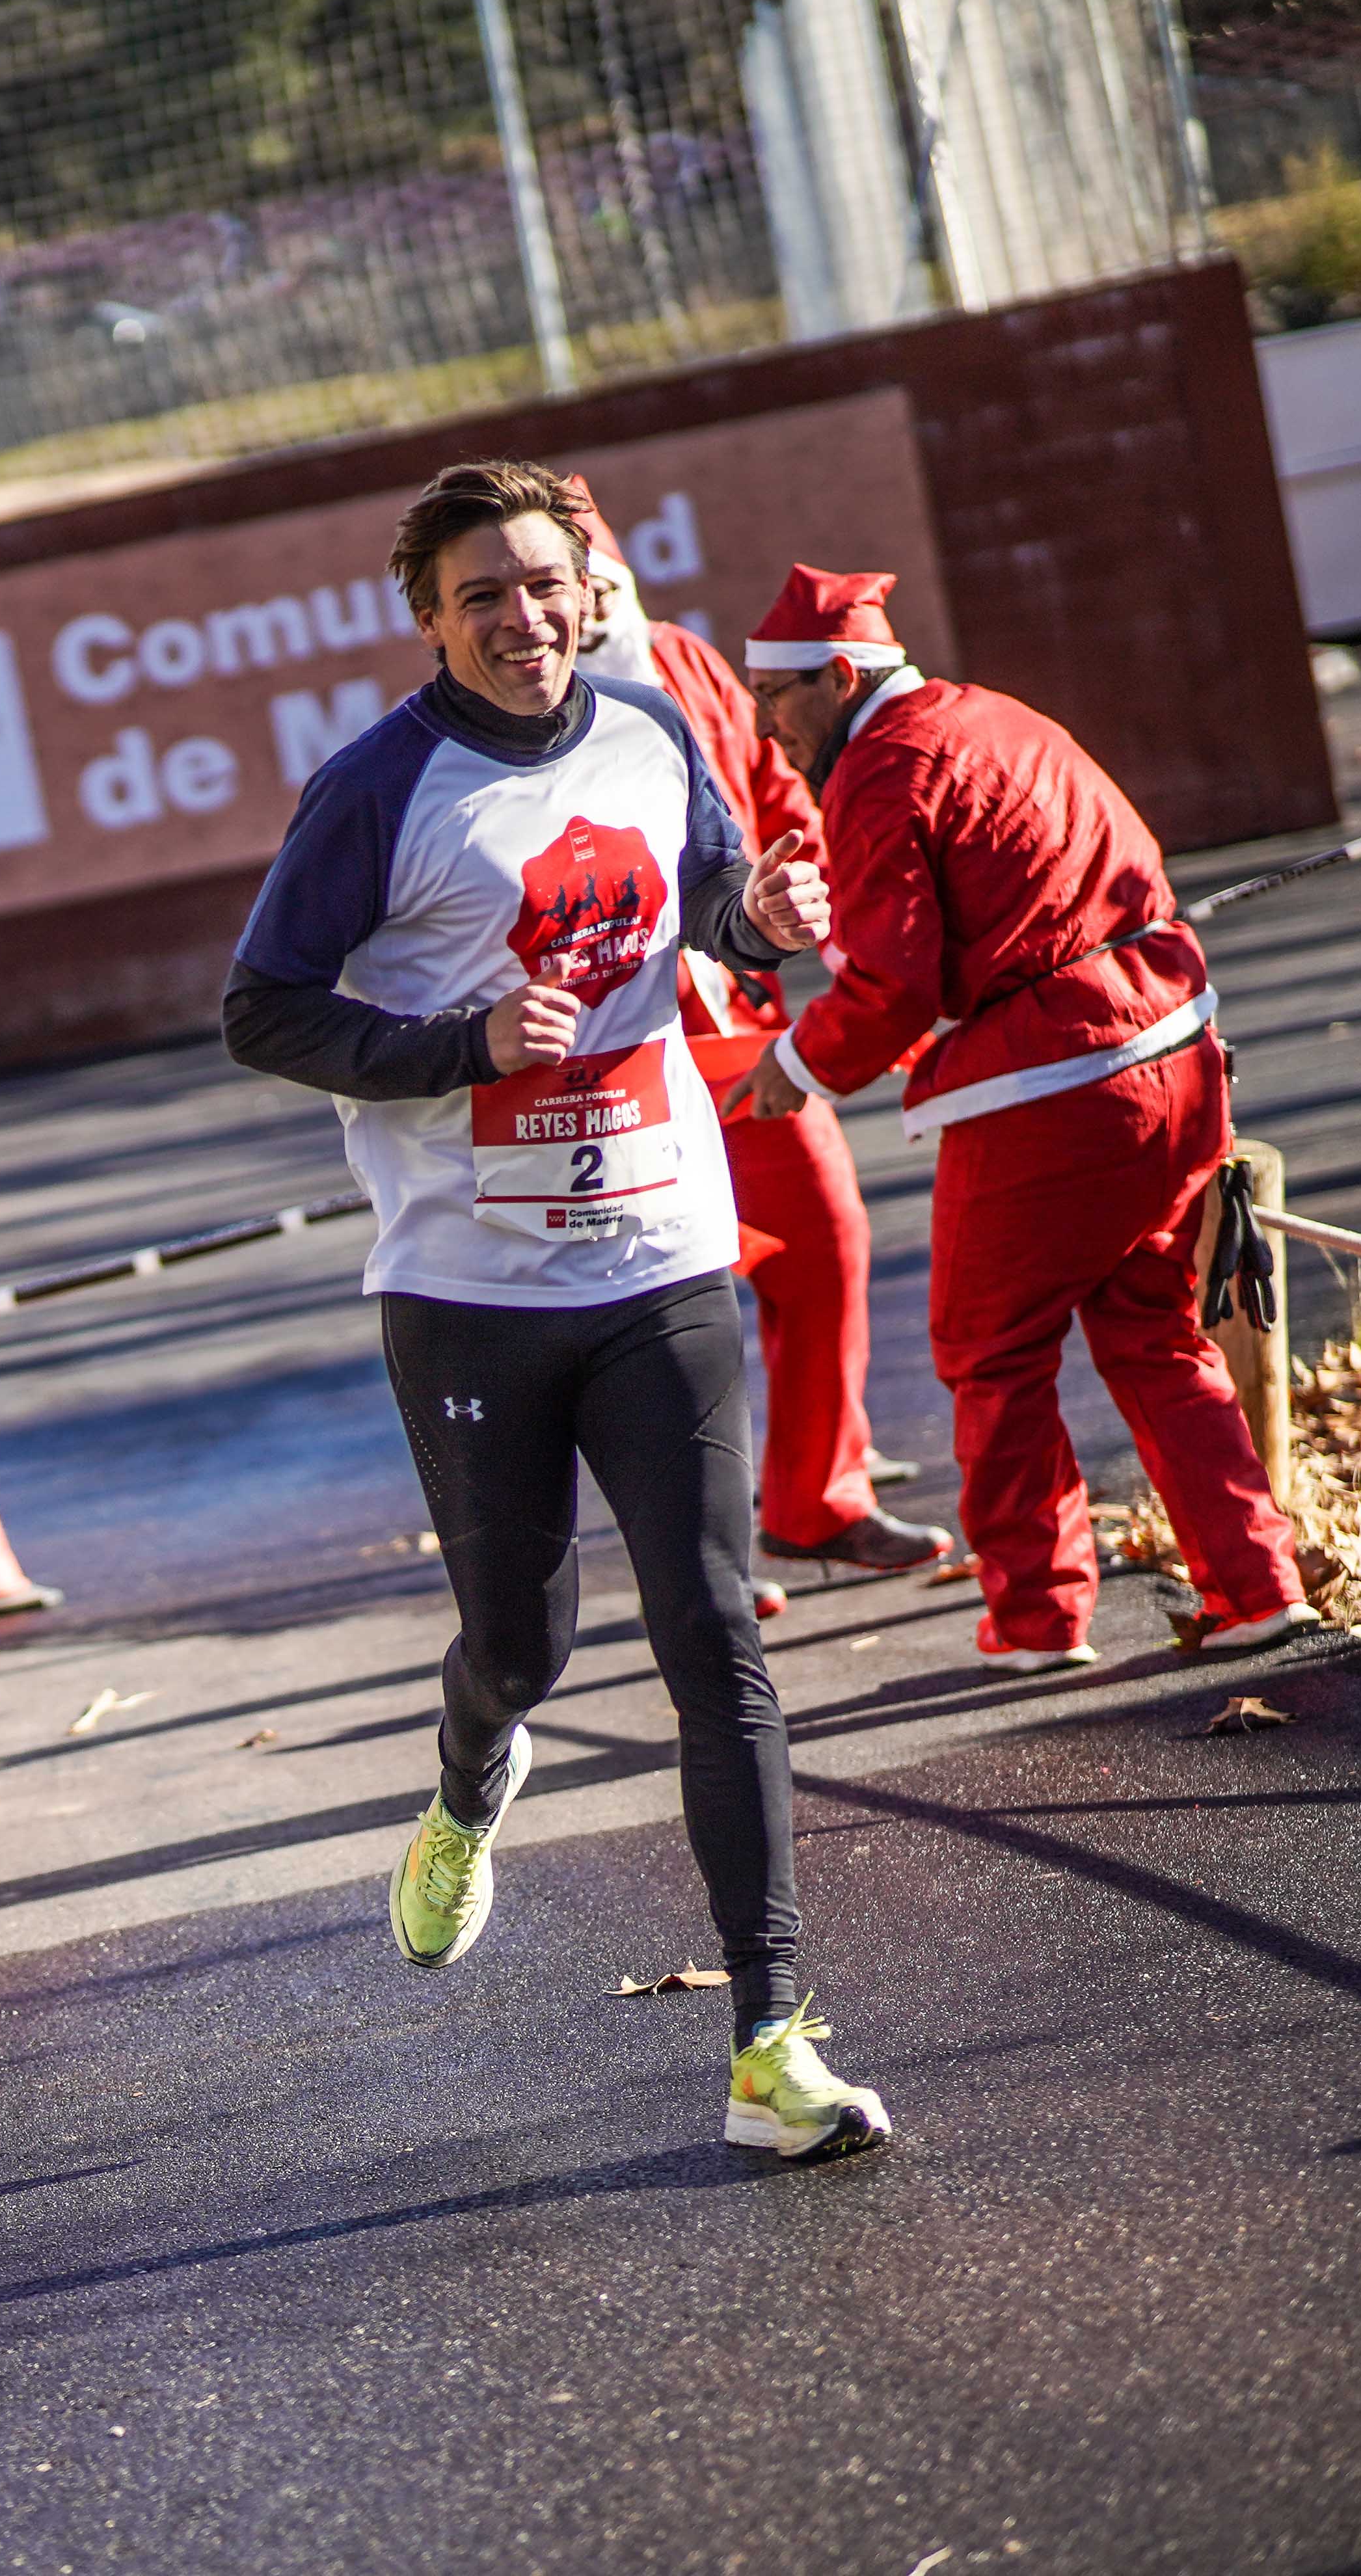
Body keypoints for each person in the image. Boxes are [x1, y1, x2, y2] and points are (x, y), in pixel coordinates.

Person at [222, 457, 887, 2160]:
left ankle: (768, 2040)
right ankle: (468, 1787)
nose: (524, 620)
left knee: (715, 1632)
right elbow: (265, 1010)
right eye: (483, 598)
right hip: (467, 1290)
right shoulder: (380, 789)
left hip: (660, 1254)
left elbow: (713, 903)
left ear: (592, 589)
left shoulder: (654, 725)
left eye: (546, 585)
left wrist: (767, 916)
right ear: (432, 624)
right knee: (524, 1646)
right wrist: (457, 1050)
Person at [732, 565, 1320, 1672]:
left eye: (778, 700)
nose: (770, 730)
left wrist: (795, 1066)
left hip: (1052, 1091)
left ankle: (1040, 1617)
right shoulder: (993, 713)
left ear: (842, 675)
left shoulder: (878, 769)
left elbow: (893, 986)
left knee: (988, 1351)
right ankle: (1256, 1584)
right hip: (1177, 1054)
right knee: (1157, 1338)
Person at [565, 489, 950, 1592]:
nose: (580, 602)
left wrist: (859, 938)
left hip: (740, 1022)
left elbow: (786, 805)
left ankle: (818, 1503)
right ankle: (701, 1550)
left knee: (824, 1242)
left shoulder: (684, 659)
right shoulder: (503, 720)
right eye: (553, 584)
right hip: (617, 1051)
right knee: (661, 1304)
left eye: (591, 575)